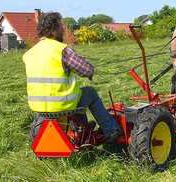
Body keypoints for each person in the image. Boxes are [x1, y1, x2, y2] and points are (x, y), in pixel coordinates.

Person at [23, 12, 122, 146]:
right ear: (52, 30)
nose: (63, 29)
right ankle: (111, 130)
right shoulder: (62, 50)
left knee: (78, 95)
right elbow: (87, 70)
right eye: (60, 26)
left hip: (38, 106)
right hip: (62, 104)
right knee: (89, 93)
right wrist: (91, 69)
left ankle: (82, 129)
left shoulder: (30, 53)